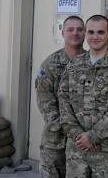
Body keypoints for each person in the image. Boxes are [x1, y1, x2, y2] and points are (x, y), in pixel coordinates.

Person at [58, 15, 108, 178]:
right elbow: (63, 100)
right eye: (91, 32)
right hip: (77, 148)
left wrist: (92, 136)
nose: (95, 37)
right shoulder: (74, 65)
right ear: (85, 33)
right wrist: (77, 134)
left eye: (100, 32)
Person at [35, 16, 86, 178]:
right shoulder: (50, 64)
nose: (75, 33)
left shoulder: (92, 62)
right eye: (70, 30)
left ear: (85, 33)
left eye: (79, 29)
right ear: (63, 33)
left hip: (82, 140)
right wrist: (65, 126)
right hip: (55, 138)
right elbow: (44, 100)